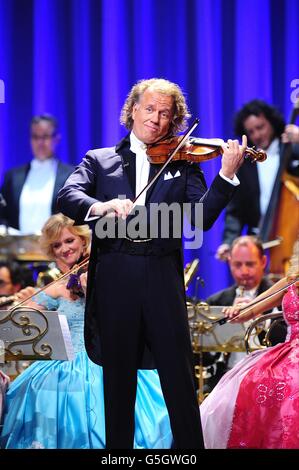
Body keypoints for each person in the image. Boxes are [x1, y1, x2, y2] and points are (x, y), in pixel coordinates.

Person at [57, 77, 247, 449]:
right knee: (118, 381)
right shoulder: (100, 160)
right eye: (150, 110)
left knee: (178, 376)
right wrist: (101, 206)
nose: (157, 120)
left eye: (165, 114)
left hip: (161, 272)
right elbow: (69, 195)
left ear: (174, 122)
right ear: (132, 111)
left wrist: (225, 174)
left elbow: (201, 217)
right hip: (115, 272)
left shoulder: (183, 161)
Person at [0, 213, 173, 449]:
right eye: (57, 245)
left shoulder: (105, 269)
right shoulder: (58, 288)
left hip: (101, 358)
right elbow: (20, 317)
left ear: (83, 240)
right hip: (61, 364)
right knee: (33, 391)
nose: (64, 249)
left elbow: (127, 312)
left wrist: (98, 288)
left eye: (69, 241)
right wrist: (23, 301)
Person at [200, 248, 299, 449]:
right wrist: (237, 310)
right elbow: (249, 311)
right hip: (287, 352)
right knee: (252, 384)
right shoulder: (291, 281)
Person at [216, 100, 299, 261]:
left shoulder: (293, 150)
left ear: (272, 123)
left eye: (260, 127)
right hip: (260, 241)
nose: (257, 135)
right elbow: (235, 210)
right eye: (251, 131)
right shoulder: (245, 165)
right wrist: (229, 242)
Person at [203, 236, 287, 391]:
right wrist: (225, 327)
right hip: (224, 379)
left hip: (268, 379)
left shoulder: (282, 296)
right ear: (229, 263)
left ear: (263, 262)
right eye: (237, 265)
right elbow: (204, 354)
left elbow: (286, 341)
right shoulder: (216, 301)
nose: (244, 272)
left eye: (250, 264)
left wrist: (257, 317)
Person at [0, 114, 74, 234]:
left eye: (45, 137)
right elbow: (3, 214)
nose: (40, 142)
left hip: (57, 248)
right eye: (35, 137)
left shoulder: (71, 175)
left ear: (57, 139)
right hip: (18, 249)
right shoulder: (13, 176)